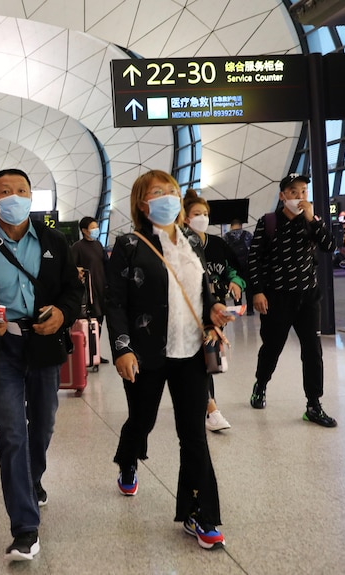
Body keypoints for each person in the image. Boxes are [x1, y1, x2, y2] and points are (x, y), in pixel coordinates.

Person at [0, 168, 82, 561]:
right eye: (6, 192)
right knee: (12, 434)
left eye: (22, 190)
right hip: (3, 350)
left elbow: (72, 291)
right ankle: (24, 528)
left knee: (42, 424)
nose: (15, 197)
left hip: (43, 345)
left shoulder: (54, 241)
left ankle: (33, 480)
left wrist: (63, 314)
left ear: (31, 196)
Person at [105, 169, 230, 551]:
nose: (168, 197)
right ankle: (129, 458)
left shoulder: (192, 238)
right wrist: (123, 348)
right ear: (142, 203)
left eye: (171, 191)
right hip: (146, 353)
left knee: (192, 434)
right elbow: (115, 302)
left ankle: (199, 513)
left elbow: (202, 287)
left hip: (190, 352)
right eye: (157, 192)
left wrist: (214, 310)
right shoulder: (128, 244)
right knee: (141, 420)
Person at [248, 173, 338, 427]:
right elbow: (254, 259)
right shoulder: (268, 222)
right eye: (294, 192)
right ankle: (261, 384)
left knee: (312, 351)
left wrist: (314, 221)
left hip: (308, 297)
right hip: (276, 297)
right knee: (272, 348)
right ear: (282, 196)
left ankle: (313, 404)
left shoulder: (312, 222)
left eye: (303, 192)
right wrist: (257, 291)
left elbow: (330, 247)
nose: (300, 197)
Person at [183, 189, 246, 433]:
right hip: (190, 311)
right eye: (197, 213)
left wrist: (235, 283)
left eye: (206, 213)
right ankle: (211, 409)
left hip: (215, 310)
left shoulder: (218, 244)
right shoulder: (182, 245)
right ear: (186, 218)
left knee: (207, 360)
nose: (202, 217)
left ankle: (206, 406)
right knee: (201, 359)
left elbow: (235, 270)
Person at [70, 216, 109, 364]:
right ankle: (84, 353)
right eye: (92, 228)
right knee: (88, 321)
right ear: (84, 231)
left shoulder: (99, 245)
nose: (95, 230)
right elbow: (71, 267)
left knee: (99, 322)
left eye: (96, 227)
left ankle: (95, 353)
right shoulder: (77, 247)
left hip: (101, 289)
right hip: (88, 292)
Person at [223, 219, 255, 315]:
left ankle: (238, 309)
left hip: (234, 267)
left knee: (236, 286)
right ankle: (250, 310)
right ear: (241, 225)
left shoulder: (226, 236)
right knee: (249, 288)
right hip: (247, 265)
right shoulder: (247, 235)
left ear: (231, 226)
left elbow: (224, 252)